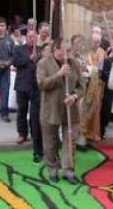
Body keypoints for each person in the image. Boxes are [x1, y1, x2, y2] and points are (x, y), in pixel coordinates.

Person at [37, 38, 85, 183]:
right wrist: (58, 74)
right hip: (50, 109)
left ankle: (68, 170)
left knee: (69, 140)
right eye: (63, 49)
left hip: (70, 109)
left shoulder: (74, 63)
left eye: (68, 50)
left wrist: (74, 96)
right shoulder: (43, 63)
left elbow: (81, 86)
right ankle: (52, 169)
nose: (66, 53)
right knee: (50, 142)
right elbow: (42, 84)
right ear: (55, 49)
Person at [12, 30, 43, 163]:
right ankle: (22, 133)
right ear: (26, 38)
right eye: (30, 37)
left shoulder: (41, 50)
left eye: (34, 37)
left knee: (35, 114)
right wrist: (29, 59)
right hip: (22, 84)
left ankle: (34, 135)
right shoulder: (19, 49)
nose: (32, 39)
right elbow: (15, 62)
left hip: (36, 86)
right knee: (22, 110)